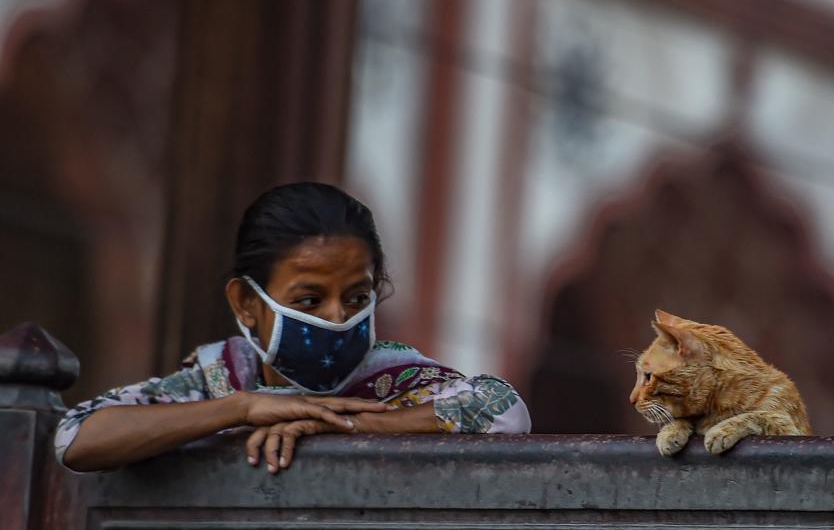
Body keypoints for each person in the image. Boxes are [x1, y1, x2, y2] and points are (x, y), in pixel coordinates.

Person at [56, 182, 531, 473]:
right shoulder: (220, 379)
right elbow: (75, 438)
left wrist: (340, 424)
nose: (336, 318)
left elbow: (504, 411)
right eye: (309, 300)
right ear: (246, 303)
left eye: (356, 298)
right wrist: (241, 409)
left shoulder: (393, 380)